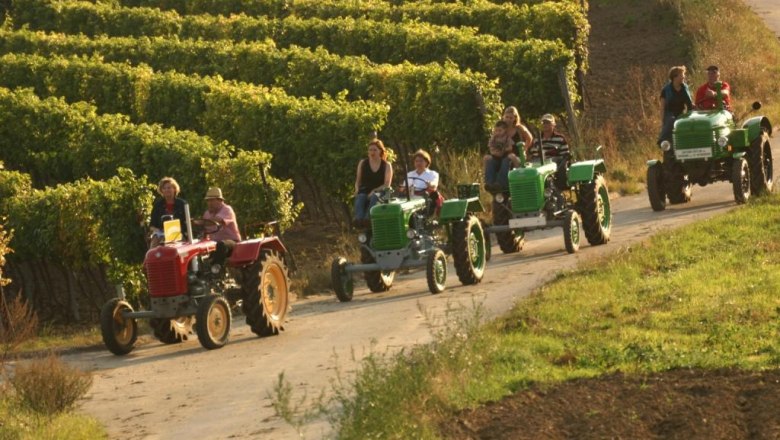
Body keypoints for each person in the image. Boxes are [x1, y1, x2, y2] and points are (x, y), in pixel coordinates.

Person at [483, 106, 534, 191]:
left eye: (511, 117)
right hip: (500, 154)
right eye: (507, 117)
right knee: (489, 159)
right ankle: (490, 184)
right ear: (503, 116)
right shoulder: (501, 128)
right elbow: (493, 142)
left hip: (515, 156)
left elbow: (530, 138)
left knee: (507, 159)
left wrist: (524, 149)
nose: (508, 119)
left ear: (515, 118)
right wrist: (494, 151)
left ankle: (501, 184)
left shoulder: (519, 128)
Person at [353, 139, 393, 227]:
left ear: (380, 151)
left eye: (375, 150)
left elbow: (387, 184)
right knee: (360, 197)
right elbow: (358, 180)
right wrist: (356, 189)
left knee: (375, 196)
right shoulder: (363, 163)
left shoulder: (386, 165)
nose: (372, 152)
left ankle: (368, 218)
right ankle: (359, 220)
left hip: (380, 191)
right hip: (365, 189)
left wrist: (374, 191)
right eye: (370, 150)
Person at [202, 187, 241, 267]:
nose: (209, 203)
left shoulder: (227, 210)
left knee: (221, 245)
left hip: (232, 243)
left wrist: (200, 222)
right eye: (208, 201)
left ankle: (217, 271)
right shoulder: (207, 213)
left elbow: (216, 220)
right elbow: (204, 230)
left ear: (220, 200)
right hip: (214, 244)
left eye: (212, 200)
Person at [658, 65, 694, 145]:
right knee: (671, 120)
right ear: (675, 77)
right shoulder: (666, 90)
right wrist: (662, 120)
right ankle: (662, 140)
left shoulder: (685, 88)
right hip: (669, 113)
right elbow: (662, 107)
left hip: (681, 113)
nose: (684, 77)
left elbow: (689, 104)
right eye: (682, 75)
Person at [533, 114, 570, 189]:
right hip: (540, 160)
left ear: (553, 125)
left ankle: (561, 186)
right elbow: (534, 153)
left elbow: (565, 154)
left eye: (548, 123)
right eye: (544, 123)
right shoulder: (537, 139)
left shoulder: (560, 138)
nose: (545, 125)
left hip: (555, 160)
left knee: (561, 163)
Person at [400, 149, 442, 216]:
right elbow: (403, 188)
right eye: (416, 161)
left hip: (426, 197)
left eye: (421, 161)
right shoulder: (409, 175)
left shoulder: (432, 174)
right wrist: (405, 189)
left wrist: (430, 184)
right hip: (411, 196)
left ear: (426, 162)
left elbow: (434, 185)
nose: (418, 163)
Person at [148, 176, 187, 248]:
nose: (166, 190)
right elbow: (152, 226)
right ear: (161, 190)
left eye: (169, 188)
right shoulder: (157, 205)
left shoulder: (182, 204)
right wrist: (160, 231)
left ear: (174, 189)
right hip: (161, 233)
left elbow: (187, 222)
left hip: (177, 233)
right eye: (164, 188)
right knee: (154, 243)